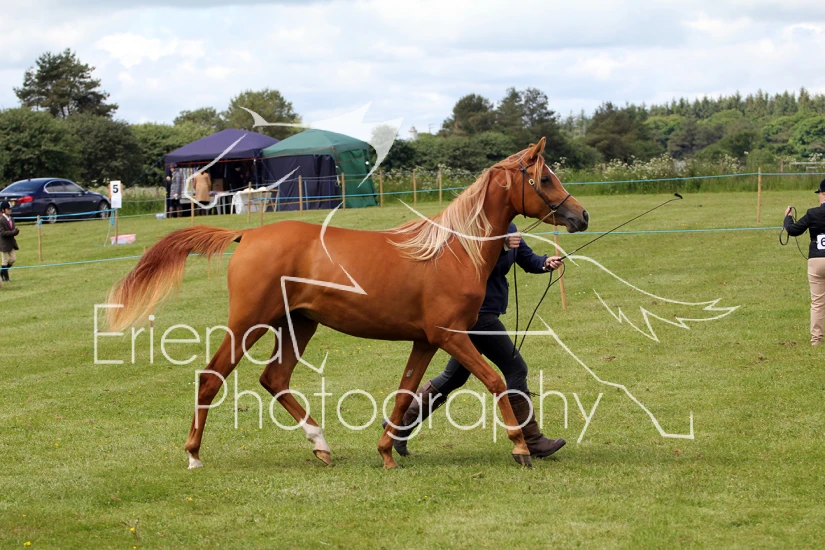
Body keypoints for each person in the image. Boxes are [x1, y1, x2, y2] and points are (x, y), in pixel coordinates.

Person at [387, 223, 566, 458]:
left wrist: (545, 262)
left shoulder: (509, 226)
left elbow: (527, 259)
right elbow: (474, 265)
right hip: (477, 314)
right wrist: (502, 247)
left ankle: (398, 427)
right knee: (515, 368)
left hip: (486, 311)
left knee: (454, 376)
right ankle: (532, 441)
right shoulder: (475, 228)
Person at [784, 178, 825, 346]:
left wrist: (788, 218)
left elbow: (793, 231)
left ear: (823, 194)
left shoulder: (813, 213)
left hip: (816, 259)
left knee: (817, 303)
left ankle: (816, 339)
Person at [0, 201, 20, 283]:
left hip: (11, 242)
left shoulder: (11, 219)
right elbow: (2, 232)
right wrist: (12, 232)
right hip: (3, 243)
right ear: (3, 210)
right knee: (4, 260)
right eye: (8, 209)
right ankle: (6, 278)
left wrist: (15, 232)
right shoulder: (1, 219)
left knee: (13, 259)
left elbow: (12, 229)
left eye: (10, 209)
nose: (10, 210)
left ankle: (2, 272)